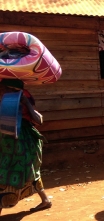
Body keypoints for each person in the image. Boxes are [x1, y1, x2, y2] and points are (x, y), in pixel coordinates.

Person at [0, 79, 51, 215]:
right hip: (8, 140)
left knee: (7, 172)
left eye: (4, 88)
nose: (2, 90)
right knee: (27, 171)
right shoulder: (5, 100)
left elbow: (39, 120)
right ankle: (45, 200)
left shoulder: (23, 99)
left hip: (24, 143)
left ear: (13, 90)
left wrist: (26, 103)